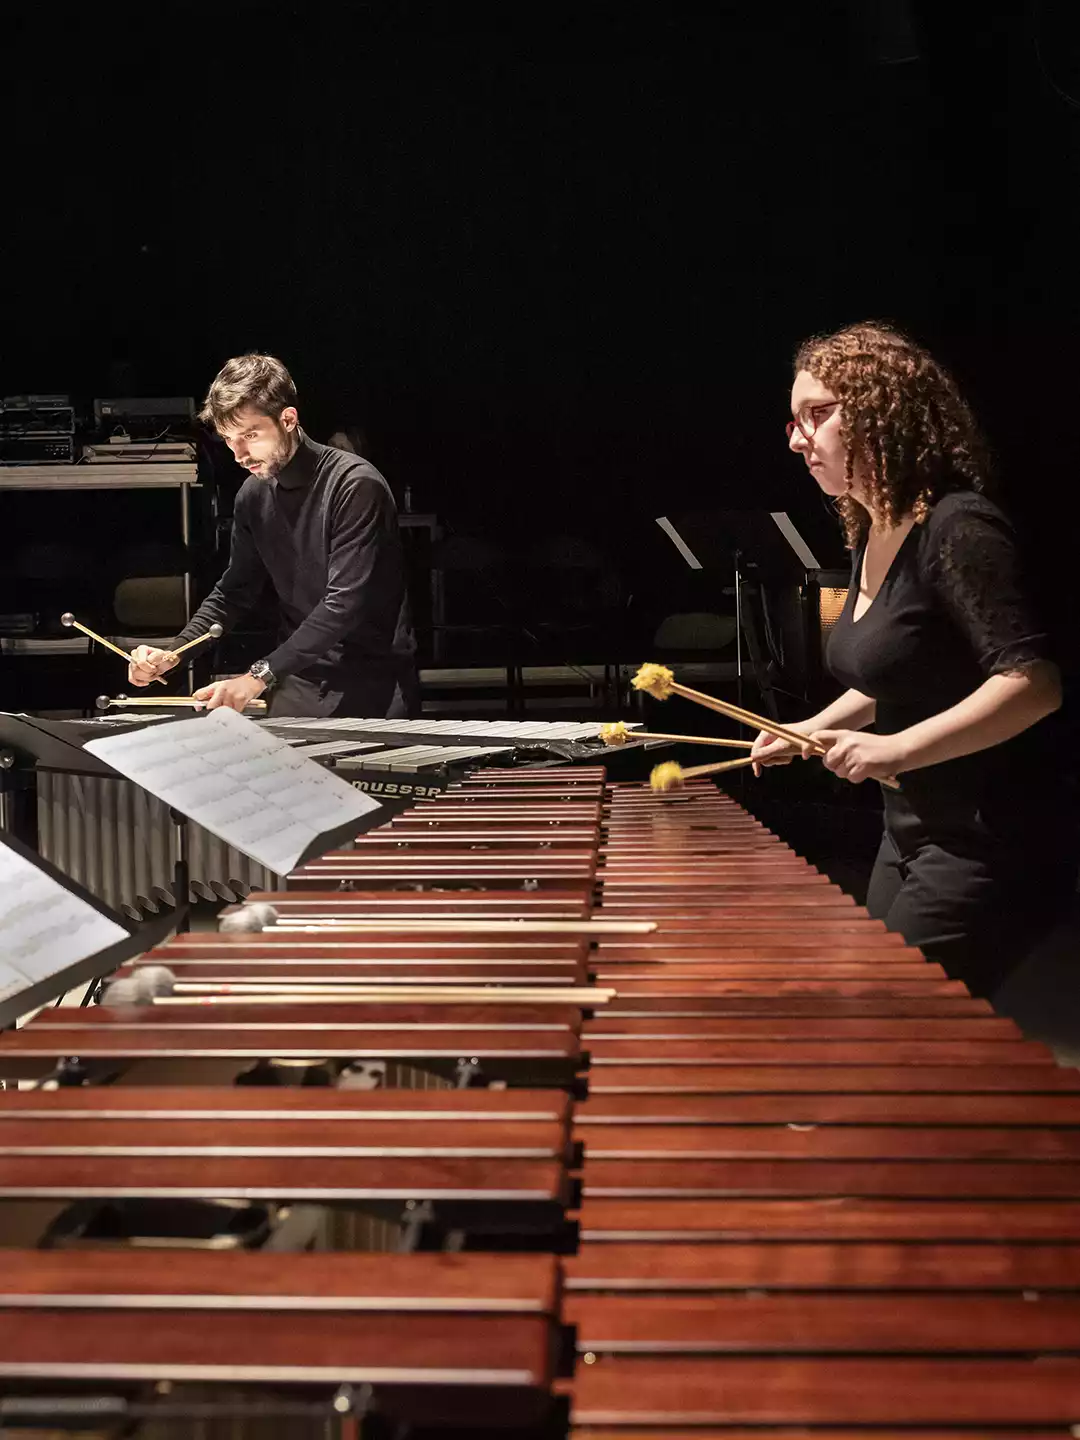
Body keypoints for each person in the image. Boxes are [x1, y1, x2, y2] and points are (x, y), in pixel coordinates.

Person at [750, 321, 1076, 998]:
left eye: (816, 414)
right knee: (881, 1020)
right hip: (908, 832)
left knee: (887, 1014)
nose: (797, 438)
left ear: (878, 413)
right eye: (793, 420)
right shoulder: (873, 528)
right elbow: (899, 671)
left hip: (988, 840)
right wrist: (810, 728)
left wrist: (894, 750)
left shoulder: (958, 527)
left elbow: (1034, 683)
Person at [127, 354, 417, 718]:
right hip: (297, 678)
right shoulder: (253, 495)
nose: (239, 454)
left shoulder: (355, 485)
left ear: (288, 419)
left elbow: (343, 605)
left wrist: (257, 677)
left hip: (373, 680)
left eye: (250, 435)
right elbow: (234, 592)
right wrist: (175, 653)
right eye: (230, 439)